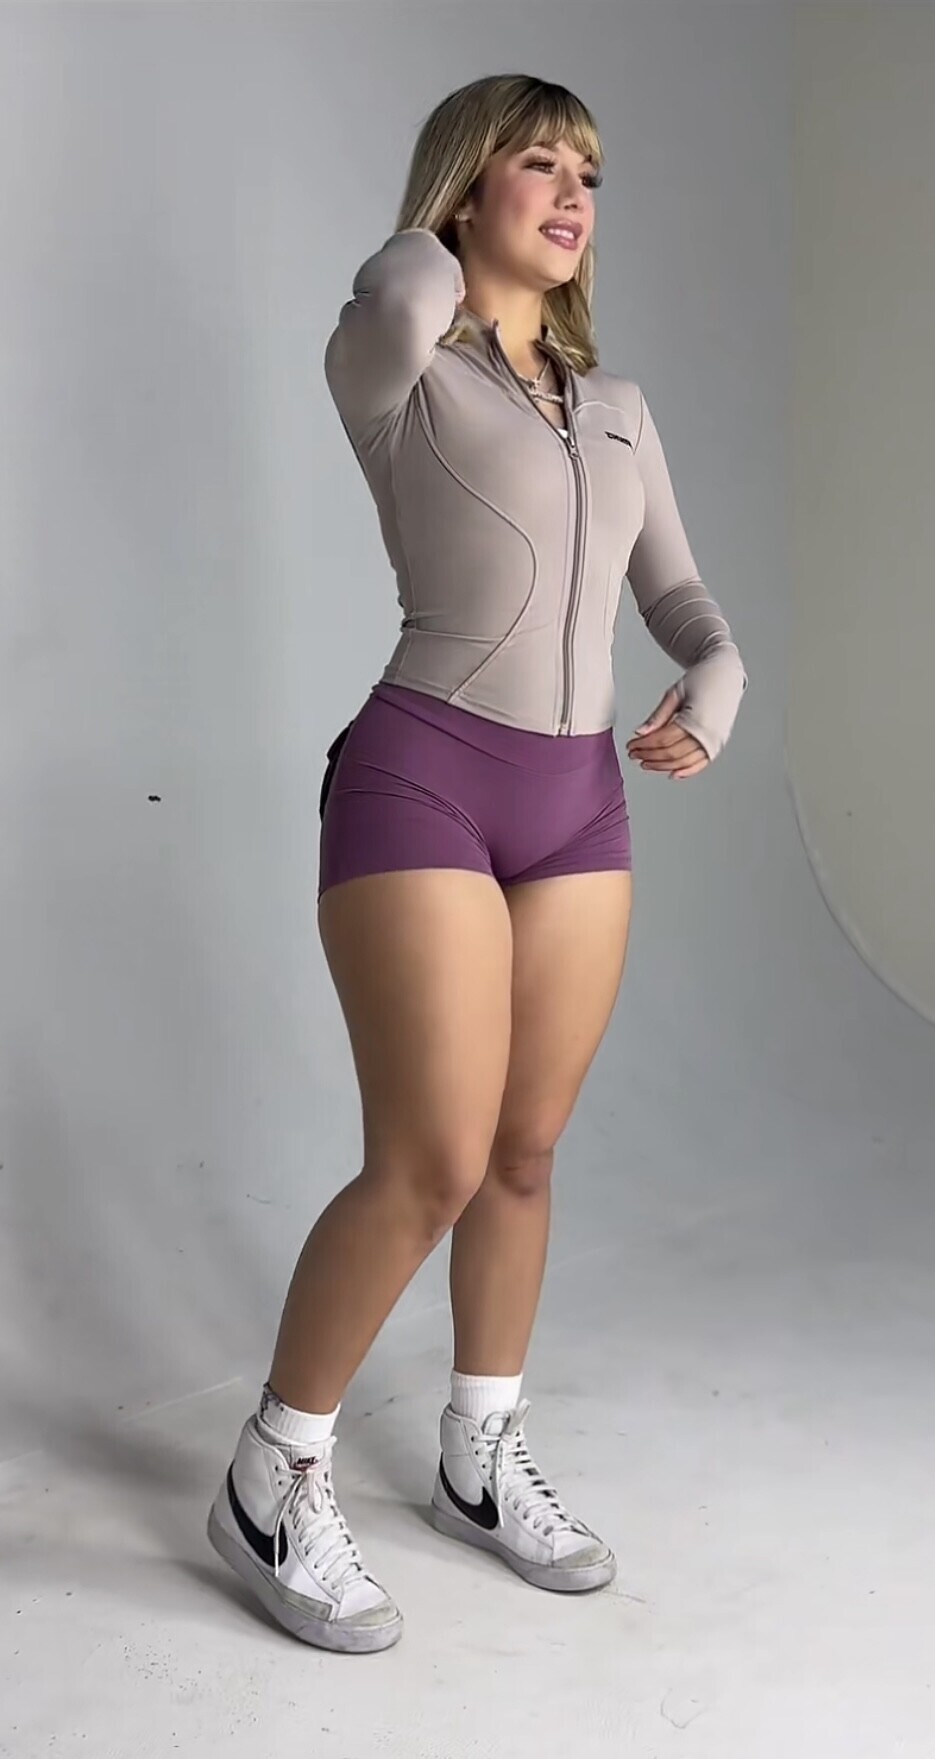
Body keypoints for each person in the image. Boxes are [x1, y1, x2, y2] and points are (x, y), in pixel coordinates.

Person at [207, 73, 747, 1655]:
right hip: (422, 779)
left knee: (523, 1150)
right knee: (429, 1159)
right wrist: (446, 238)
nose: (575, 195)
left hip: (576, 806)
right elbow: (396, 287)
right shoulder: (397, 360)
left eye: (590, 173)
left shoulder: (619, 405)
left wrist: (717, 682)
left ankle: (477, 1455)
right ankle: (269, 1473)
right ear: (465, 187)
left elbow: (684, 603)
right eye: (539, 163)